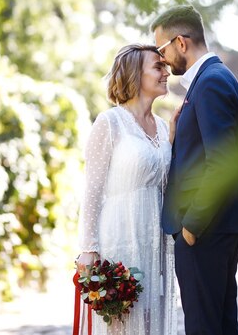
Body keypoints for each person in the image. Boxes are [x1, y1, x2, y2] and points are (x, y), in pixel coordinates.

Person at [152, 5, 238, 335]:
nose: (161, 59)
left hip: (206, 227)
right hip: (216, 226)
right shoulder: (212, 79)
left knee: (204, 327)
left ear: (181, 42)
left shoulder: (211, 83)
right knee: (220, 325)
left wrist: (192, 225)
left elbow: (222, 162)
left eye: (161, 49)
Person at [76, 44, 179, 335]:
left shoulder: (161, 126)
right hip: (119, 238)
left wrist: (172, 137)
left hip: (155, 241)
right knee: (121, 324)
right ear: (135, 74)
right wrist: (88, 249)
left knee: (149, 322)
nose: (166, 72)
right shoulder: (109, 123)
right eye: (158, 67)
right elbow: (92, 190)